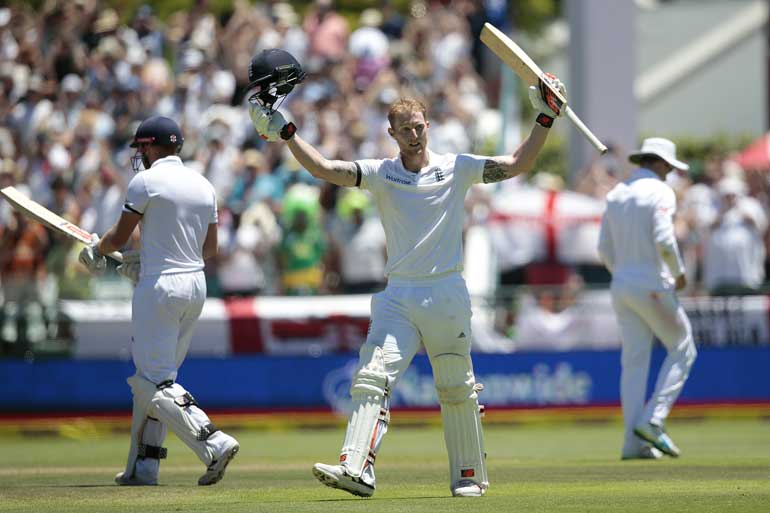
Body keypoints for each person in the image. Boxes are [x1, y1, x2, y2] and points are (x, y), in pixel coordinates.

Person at [249, 51, 566, 497]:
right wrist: (287, 132)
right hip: (399, 295)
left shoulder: (456, 167)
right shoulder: (381, 174)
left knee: (456, 387)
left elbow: (515, 165)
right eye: (406, 130)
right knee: (371, 377)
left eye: (420, 127)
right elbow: (324, 169)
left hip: (447, 292)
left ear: (427, 126)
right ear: (392, 134)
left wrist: (545, 120)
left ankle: (468, 477)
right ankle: (356, 469)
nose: (415, 135)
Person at [78, 116, 239, 486]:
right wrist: (143, 261)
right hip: (196, 285)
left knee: (152, 383)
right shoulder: (203, 184)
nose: (140, 154)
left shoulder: (145, 182)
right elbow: (209, 249)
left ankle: (213, 441)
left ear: (150, 146)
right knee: (157, 380)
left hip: (161, 287)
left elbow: (116, 239)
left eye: (142, 148)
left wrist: (96, 250)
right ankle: (143, 467)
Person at [597, 138, 698, 460]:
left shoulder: (617, 193)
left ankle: (632, 443)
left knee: (634, 363)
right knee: (683, 348)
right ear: (661, 163)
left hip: (621, 285)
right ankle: (653, 421)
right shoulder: (660, 191)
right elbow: (665, 240)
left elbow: (603, 249)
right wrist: (679, 274)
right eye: (669, 166)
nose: (669, 172)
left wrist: (624, 275)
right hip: (651, 284)